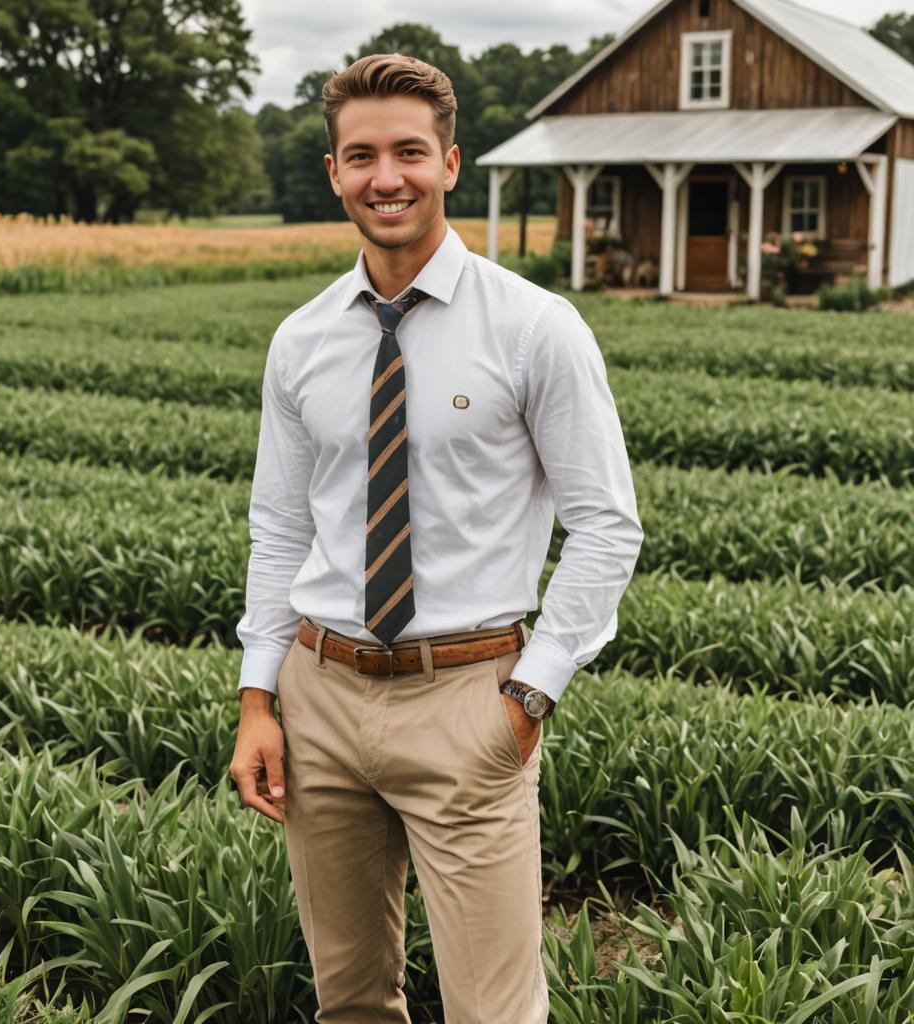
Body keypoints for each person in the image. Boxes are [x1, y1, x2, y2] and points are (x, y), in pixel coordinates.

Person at [229, 52, 643, 1024]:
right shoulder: (301, 340)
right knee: (350, 1003)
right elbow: (281, 525)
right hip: (319, 697)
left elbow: (605, 525)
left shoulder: (535, 328)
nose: (387, 177)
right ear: (332, 172)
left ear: (450, 162)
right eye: (362, 155)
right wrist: (259, 696)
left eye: (409, 152)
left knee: (494, 1012)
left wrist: (527, 700)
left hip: (468, 699)